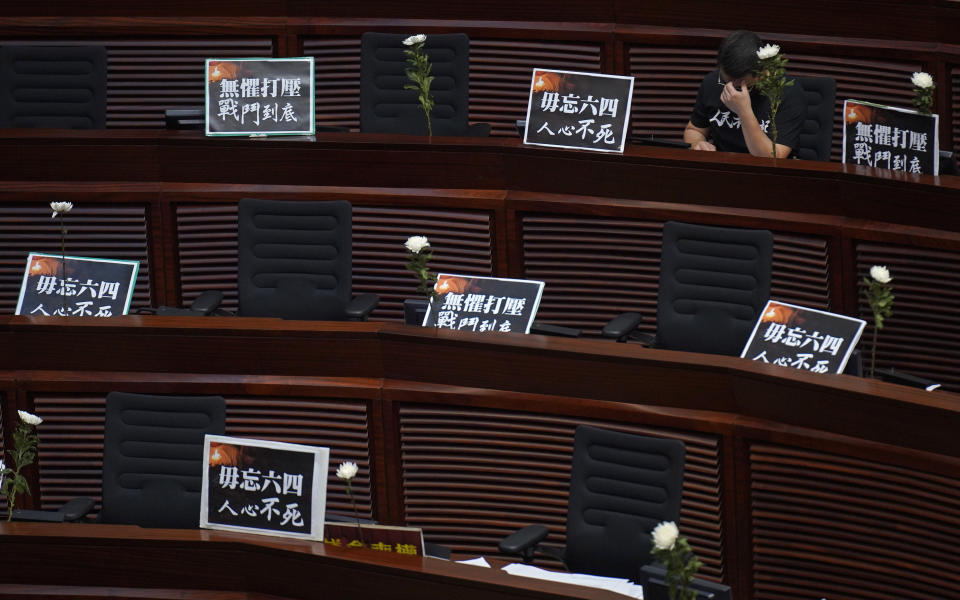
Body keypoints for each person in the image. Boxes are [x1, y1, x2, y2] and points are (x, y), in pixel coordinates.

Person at [684, 30, 805, 158]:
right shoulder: (712, 82)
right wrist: (698, 143)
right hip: (722, 167)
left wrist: (744, 111)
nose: (731, 89)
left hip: (765, 172)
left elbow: (774, 158)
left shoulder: (788, 92)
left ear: (762, 71)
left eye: (742, 85)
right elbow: (694, 130)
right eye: (726, 82)